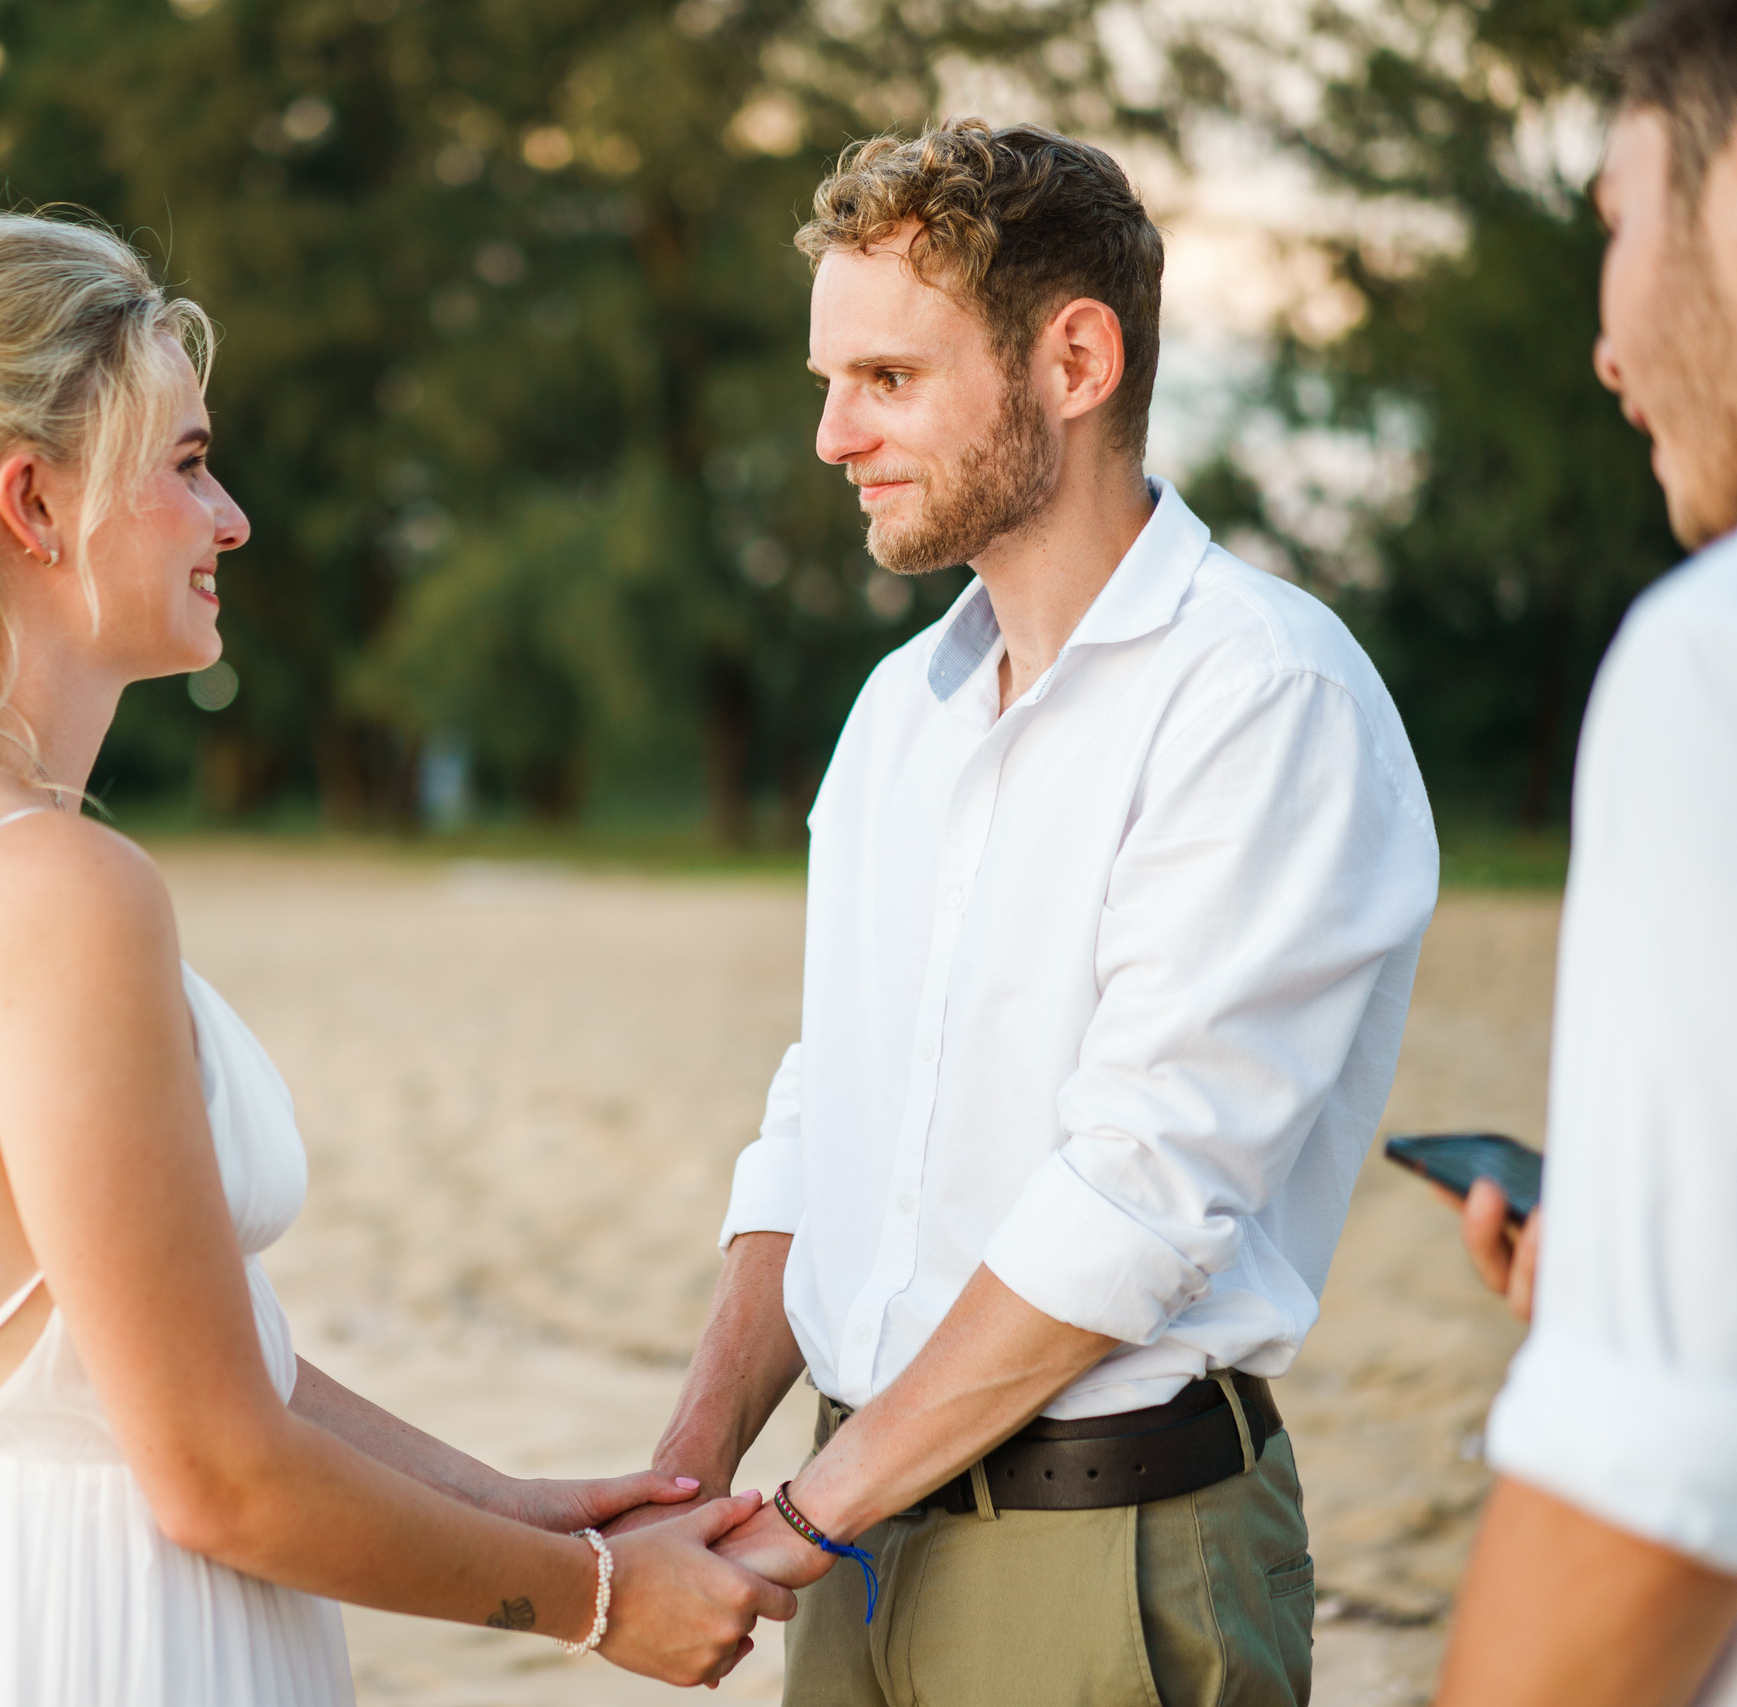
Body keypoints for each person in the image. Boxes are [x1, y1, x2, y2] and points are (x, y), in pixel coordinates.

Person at [0, 212, 791, 1705]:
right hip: (88, 1635)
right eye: (183, 466)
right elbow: (216, 1473)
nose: (229, 518)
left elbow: (176, 1364)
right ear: (32, 505)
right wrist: (597, 1601)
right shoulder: (54, 891)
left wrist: (518, 1504)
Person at [616, 122, 1440, 1706]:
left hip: (1103, 1554)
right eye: (827, 383)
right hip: (850, 1532)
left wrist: (794, 1521)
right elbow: (825, 1113)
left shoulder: (1261, 697)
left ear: (1073, 359)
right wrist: (697, 1463)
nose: (834, 435)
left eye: (889, 380)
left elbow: (1139, 1198)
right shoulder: (894, 714)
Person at [1427, 2, 1737, 1701]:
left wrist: (1646, 1318)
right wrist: (1643, 1251)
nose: (1609, 352)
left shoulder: (1710, 663)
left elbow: (1650, 1490)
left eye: (1621, 222)